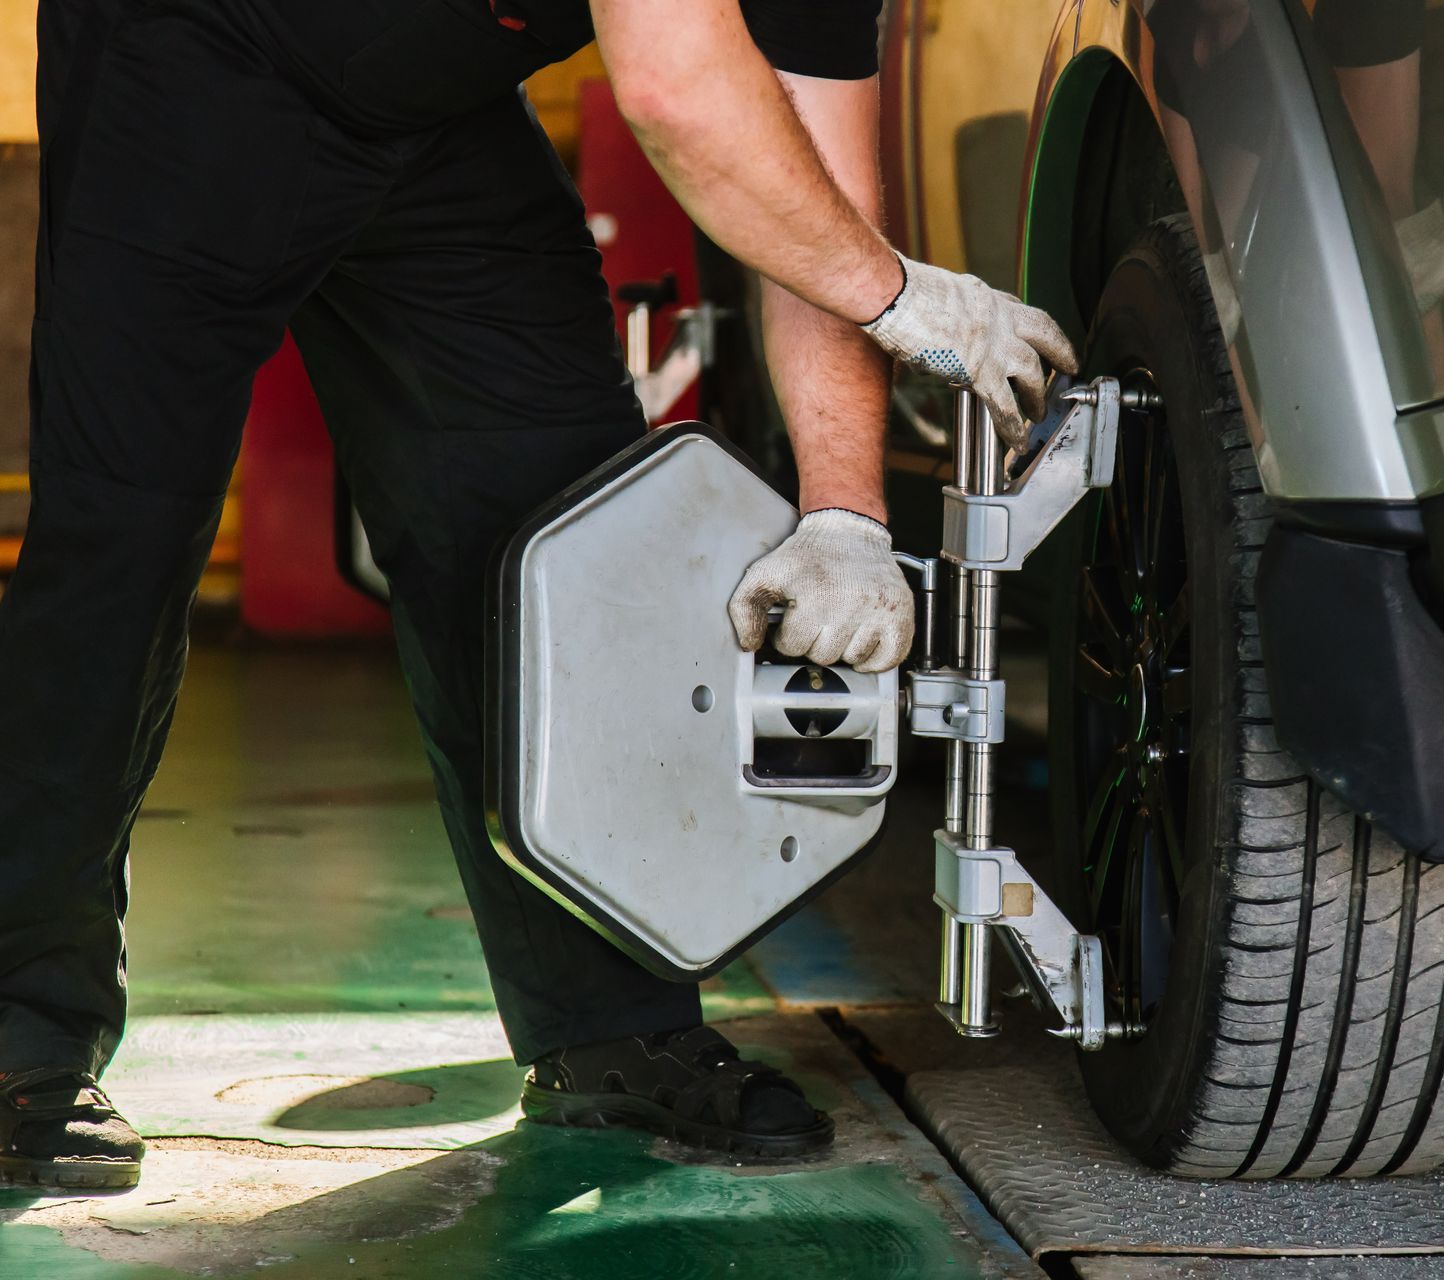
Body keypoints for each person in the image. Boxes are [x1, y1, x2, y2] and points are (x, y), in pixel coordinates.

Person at [0, 0, 1075, 1190]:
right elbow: (676, 88)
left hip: (425, 105)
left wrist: (845, 514)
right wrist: (904, 296)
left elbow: (821, 201)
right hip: (191, 54)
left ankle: (606, 1021)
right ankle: (19, 1034)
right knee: (122, 543)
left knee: (564, 537)